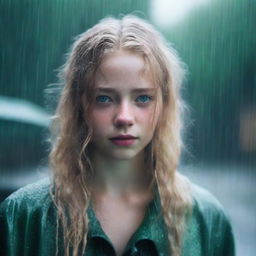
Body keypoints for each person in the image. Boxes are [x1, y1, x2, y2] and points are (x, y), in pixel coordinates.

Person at [0, 15, 235, 256]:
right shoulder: (22, 218)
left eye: (143, 98)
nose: (124, 117)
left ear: (164, 105)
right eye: (104, 98)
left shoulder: (207, 220)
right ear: (81, 104)